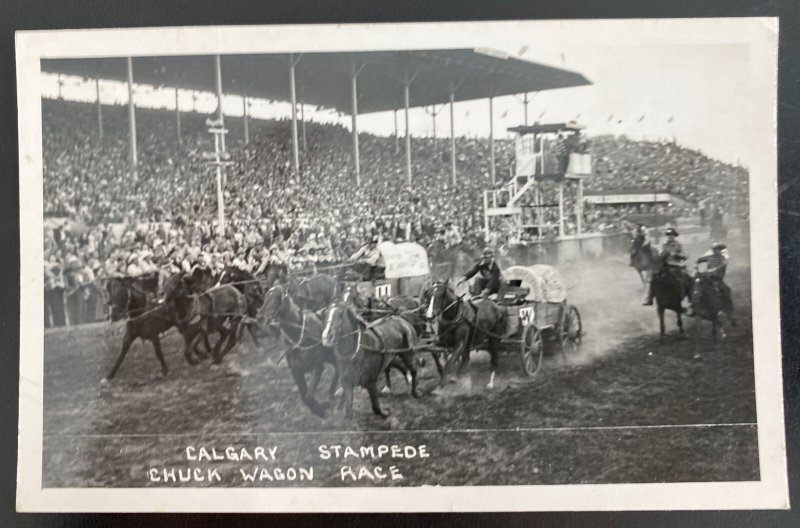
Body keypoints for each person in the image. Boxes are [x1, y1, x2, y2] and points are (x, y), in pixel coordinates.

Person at [643, 227, 692, 311]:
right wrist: (660, 256)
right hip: (665, 266)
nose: (670, 236)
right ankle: (650, 298)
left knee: (688, 278)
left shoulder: (678, 245)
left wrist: (677, 255)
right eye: (668, 235)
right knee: (654, 279)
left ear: (674, 236)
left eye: (671, 235)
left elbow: (684, 255)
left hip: (676, 266)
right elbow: (660, 255)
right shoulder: (663, 245)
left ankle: (690, 299)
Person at [696, 241, 732, 307]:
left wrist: (715, 269)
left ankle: (726, 308)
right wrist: (697, 264)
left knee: (724, 290)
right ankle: (695, 304)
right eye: (714, 249)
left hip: (717, 277)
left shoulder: (722, 258)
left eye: (717, 249)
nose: (716, 251)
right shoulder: (709, 257)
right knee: (697, 286)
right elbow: (699, 260)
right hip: (707, 277)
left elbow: (723, 264)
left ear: (720, 250)